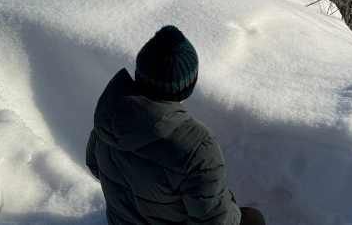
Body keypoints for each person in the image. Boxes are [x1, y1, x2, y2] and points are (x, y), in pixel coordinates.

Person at [86, 25, 266, 225]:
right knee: (252, 218)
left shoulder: (110, 117)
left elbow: (95, 166)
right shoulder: (197, 146)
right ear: (187, 85)